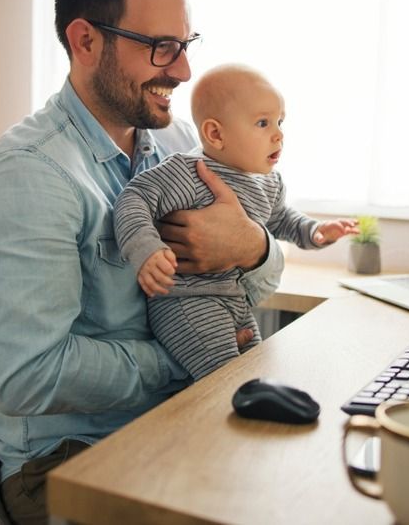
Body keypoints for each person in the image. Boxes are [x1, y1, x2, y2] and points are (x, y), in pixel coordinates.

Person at [0, 0, 284, 524]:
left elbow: (255, 282)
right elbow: (29, 378)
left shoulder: (186, 147)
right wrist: (186, 355)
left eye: (185, 46)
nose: (183, 71)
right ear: (85, 41)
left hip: (177, 421)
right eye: (161, 48)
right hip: (67, 462)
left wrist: (252, 248)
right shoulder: (30, 174)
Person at [114, 64, 358, 380]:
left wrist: (315, 231)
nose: (279, 134)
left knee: (256, 369)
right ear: (216, 134)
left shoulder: (269, 183)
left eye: (280, 121)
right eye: (263, 123)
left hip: (236, 301)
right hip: (187, 302)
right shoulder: (188, 172)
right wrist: (145, 248)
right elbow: (134, 198)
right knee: (227, 381)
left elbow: (282, 219)